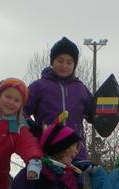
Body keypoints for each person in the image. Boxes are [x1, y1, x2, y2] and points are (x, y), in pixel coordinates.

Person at [25, 37, 95, 166]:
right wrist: (34, 128)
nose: (64, 66)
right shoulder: (39, 86)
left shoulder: (80, 89)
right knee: (47, 185)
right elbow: (21, 111)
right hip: (47, 150)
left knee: (74, 185)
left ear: (74, 65)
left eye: (69, 62)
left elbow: (94, 114)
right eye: (60, 61)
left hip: (75, 153)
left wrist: (107, 112)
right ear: (52, 61)